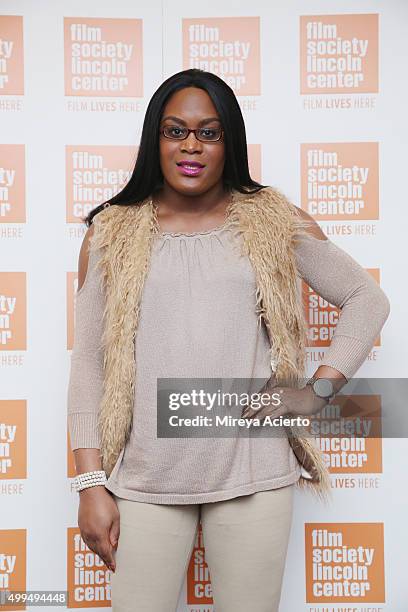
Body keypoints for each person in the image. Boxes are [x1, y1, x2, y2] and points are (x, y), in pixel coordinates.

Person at [67, 69, 390, 612]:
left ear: (229, 143)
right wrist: (90, 483)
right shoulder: (111, 232)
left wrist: (315, 394)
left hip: (254, 475)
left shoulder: (272, 220)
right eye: (176, 130)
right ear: (156, 140)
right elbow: (89, 367)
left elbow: (366, 298)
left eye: (209, 132)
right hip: (146, 478)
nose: (191, 145)